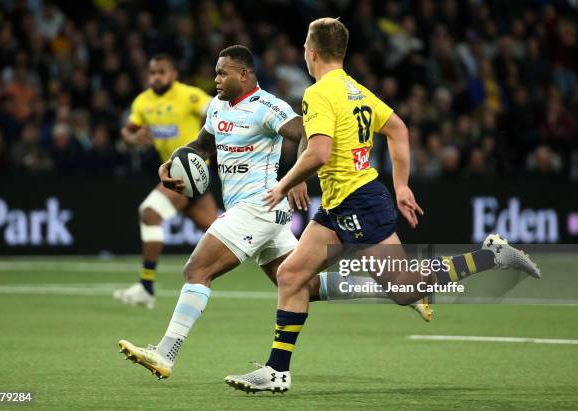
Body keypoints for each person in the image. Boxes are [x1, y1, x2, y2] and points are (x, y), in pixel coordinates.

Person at [224, 18, 540, 394]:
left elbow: (319, 152)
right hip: (340, 203)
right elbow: (398, 128)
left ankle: (493, 256)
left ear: (311, 52)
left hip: (360, 203)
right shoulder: (355, 89)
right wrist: (401, 185)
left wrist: (284, 183)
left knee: (404, 290)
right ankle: (277, 372)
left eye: (305, 48)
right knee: (292, 276)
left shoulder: (319, 93)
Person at [117, 45, 432, 381]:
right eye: (215, 72)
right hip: (262, 212)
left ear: (244, 74)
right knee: (302, 284)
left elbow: (307, 134)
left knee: (197, 269)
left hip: (259, 206)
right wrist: (173, 162)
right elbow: (201, 146)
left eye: (222, 73)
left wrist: (296, 178)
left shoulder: (267, 106)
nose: (216, 78)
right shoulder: (217, 107)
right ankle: (400, 289)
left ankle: (166, 353)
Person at [112, 54, 218, 309]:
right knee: (222, 233)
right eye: (152, 72)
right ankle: (280, 256)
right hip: (179, 173)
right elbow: (128, 130)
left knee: (149, 213)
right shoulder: (143, 102)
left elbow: (215, 108)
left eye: (161, 71)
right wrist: (131, 139)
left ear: (173, 74)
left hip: (188, 171)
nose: (156, 76)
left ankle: (146, 287)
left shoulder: (188, 95)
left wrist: (209, 141)